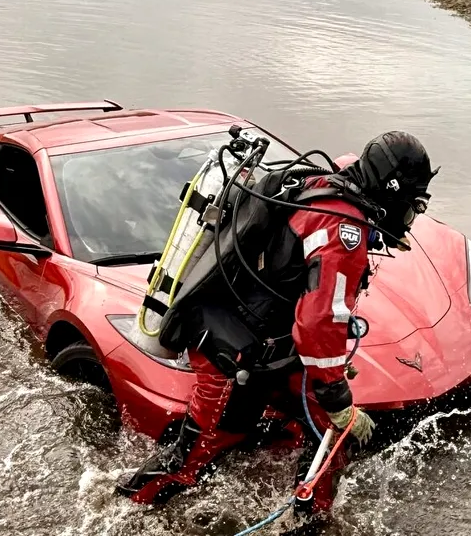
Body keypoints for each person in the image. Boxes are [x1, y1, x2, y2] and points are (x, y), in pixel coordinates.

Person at [115, 131, 437, 518]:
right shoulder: (342, 230)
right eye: (413, 205)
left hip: (268, 342)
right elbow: (318, 324)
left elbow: (314, 311)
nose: (412, 218)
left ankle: (308, 520)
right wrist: (338, 397)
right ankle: (123, 510)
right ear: (393, 190)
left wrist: (332, 388)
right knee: (196, 454)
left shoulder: (329, 187)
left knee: (328, 434)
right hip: (231, 352)